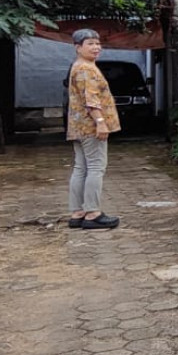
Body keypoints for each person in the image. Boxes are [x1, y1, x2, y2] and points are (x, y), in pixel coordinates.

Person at [66, 29, 121, 229]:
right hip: (91, 127)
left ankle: (77, 212)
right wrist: (100, 121)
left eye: (98, 43)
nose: (96, 47)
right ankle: (92, 213)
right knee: (96, 167)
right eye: (90, 43)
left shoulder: (79, 66)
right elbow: (91, 98)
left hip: (78, 126)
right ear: (78, 47)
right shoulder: (86, 69)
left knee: (81, 167)